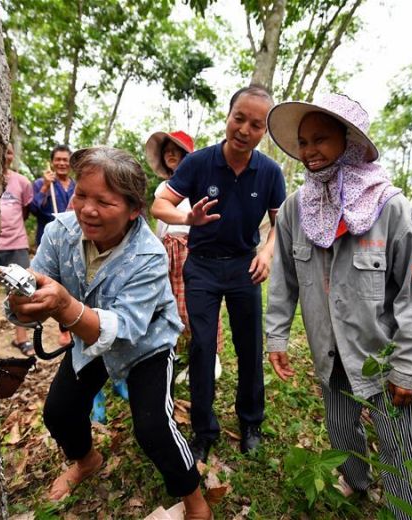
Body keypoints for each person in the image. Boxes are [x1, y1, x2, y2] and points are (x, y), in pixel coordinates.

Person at [7, 147, 211, 519]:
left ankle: (194, 499)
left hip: (145, 345)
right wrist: (23, 303)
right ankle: (87, 461)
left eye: (104, 201)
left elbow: (125, 327)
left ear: (134, 209)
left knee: (153, 427)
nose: (87, 209)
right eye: (82, 195)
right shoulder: (58, 233)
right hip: (89, 341)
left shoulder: (149, 254)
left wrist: (64, 306)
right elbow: (36, 287)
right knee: (59, 412)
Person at [265, 93, 412, 519]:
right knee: (341, 428)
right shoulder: (296, 209)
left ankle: (409, 513)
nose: (309, 152)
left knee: (399, 445)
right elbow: (284, 278)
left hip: (381, 356)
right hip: (329, 351)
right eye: (303, 142)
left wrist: (410, 366)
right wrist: (277, 336)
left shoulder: (390, 208)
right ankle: (356, 481)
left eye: (320, 139)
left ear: (350, 140)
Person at [151, 85, 286, 462]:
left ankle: (250, 422)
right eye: (238, 118)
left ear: (264, 132)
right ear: (228, 116)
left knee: (249, 347)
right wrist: (186, 217)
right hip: (203, 265)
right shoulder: (199, 163)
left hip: (245, 267)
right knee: (203, 346)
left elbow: (280, 224)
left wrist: (267, 251)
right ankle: (204, 430)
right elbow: (160, 203)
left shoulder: (271, 172)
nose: (244, 129)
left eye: (256, 125)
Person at [144, 130, 224, 380]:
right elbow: (160, 223)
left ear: (187, 155)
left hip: (192, 248)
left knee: (196, 306)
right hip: (167, 251)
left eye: (176, 149)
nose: (170, 153)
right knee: (171, 306)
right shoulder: (162, 188)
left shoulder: (201, 184)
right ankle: (183, 351)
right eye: (167, 149)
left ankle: (211, 357)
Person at [31, 144, 76, 348]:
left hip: (74, 240)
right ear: (52, 162)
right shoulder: (42, 183)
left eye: (65, 160)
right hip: (50, 241)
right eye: (58, 159)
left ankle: (72, 324)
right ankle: (54, 325)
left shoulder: (77, 185)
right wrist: (44, 189)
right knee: (52, 283)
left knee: (72, 283)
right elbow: (34, 209)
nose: (62, 163)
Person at [0, 143, 35, 356]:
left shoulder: (22, 182)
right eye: (1, 149)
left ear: (13, 155)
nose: (5, 155)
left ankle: (21, 339)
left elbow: (26, 211)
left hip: (16, 243)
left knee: (22, 290)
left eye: (9, 151)